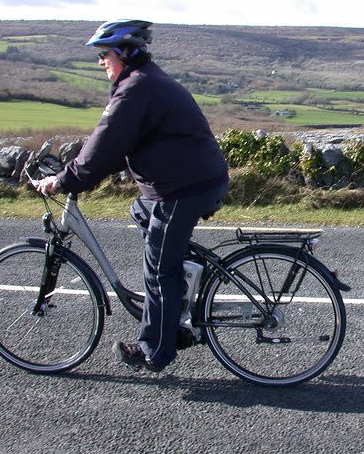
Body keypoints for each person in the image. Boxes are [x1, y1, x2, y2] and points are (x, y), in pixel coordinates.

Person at [36, 20, 229, 373]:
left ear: (125, 53)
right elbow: (106, 143)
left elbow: (104, 147)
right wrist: (75, 170)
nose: (100, 61)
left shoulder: (136, 89)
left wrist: (63, 181)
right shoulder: (142, 82)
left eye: (104, 53)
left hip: (184, 188)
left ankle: (155, 349)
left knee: (158, 269)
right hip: (184, 182)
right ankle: (177, 308)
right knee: (141, 212)